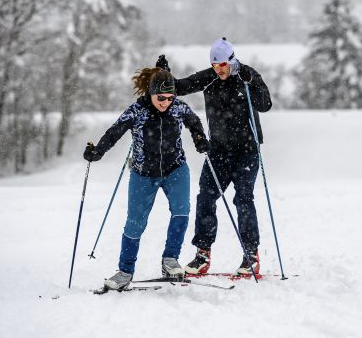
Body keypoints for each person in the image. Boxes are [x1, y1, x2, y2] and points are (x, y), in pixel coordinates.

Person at [83, 66, 210, 290]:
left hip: (175, 169)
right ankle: (125, 271)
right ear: (150, 93)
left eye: (170, 97)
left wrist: (200, 138)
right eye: (161, 97)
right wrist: (98, 152)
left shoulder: (178, 108)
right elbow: (115, 132)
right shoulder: (137, 111)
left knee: (181, 211)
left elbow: (194, 122)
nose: (166, 102)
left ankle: (170, 260)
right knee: (135, 224)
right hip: (144, 174)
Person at [157, 37, 272, 275]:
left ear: (232, 60)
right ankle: (202, 255)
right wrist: (164, 76)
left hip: (246, 152)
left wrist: (254, 85)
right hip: (218, 152)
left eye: (222, 65)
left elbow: (265, 105)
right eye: (215, 65)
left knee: (243, 199)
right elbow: (181, 87)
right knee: (205, 199)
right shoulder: (209, 78)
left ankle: (251, 255)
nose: (219, 70)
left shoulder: (247, 75)